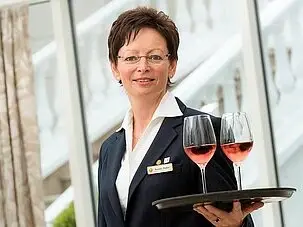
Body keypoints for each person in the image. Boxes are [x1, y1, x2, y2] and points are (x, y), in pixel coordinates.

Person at [97, 6, 263, 227]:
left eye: (155, 57)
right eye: (131, 58)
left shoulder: (205, 132)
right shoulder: (110, 148)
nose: (143, 67)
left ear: (172, 65)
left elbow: (231, 215)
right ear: (115, 68)